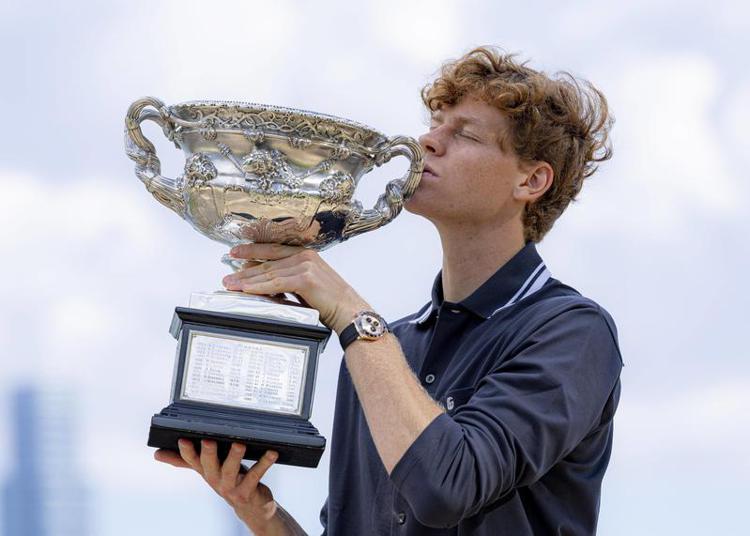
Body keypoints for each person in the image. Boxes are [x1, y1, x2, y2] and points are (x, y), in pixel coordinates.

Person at [155, 46, 622, 535]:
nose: (428, 141)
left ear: (531, 179)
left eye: (463, 133)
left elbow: (448, 485)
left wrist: (353, 315)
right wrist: (258, 511)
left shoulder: (573, 333)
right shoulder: (382, 348)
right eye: (435, 124)